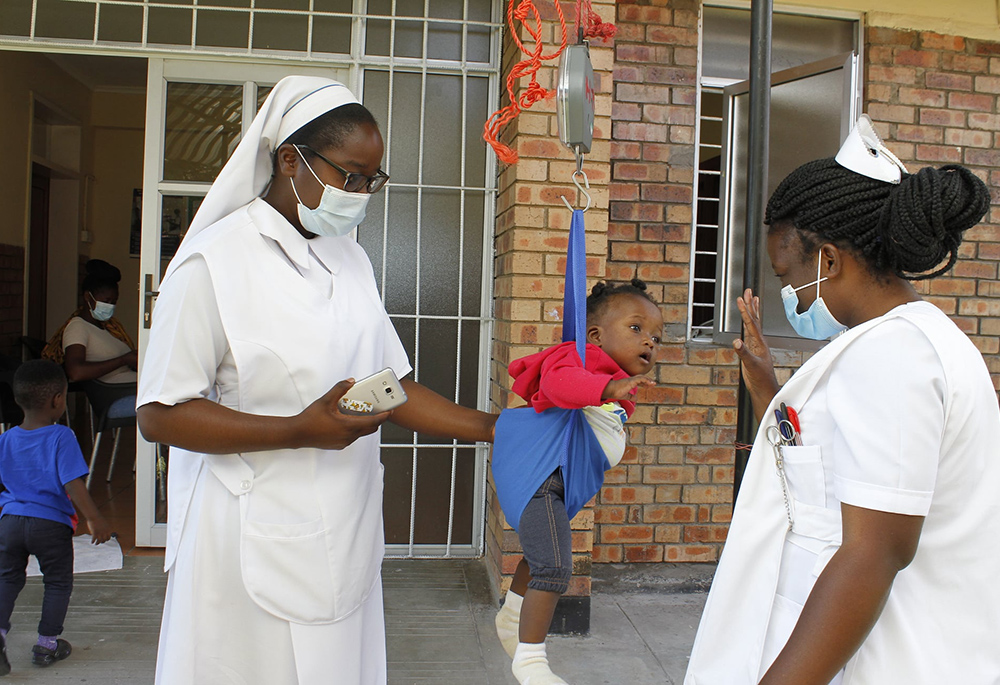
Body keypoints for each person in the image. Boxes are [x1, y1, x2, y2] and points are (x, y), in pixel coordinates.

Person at [135, 76, 496, 685]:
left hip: (343, 525)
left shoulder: (348, 257)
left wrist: (495, 429)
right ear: (288, 160)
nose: (357, 195)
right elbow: (161, 415)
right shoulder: (212, 265)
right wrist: (300, 429)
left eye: (370, 182)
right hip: (246, 537)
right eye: (348, 176)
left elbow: (390, 386)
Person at [684, 115, 1000, 684]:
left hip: (885, 662)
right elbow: (834, 477)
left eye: (787, 275)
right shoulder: (895, 343)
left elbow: (874, 552)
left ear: (828, 260)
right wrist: (768, 391)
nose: (786, 294)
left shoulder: (897, 355)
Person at [492, 279, 662, 685]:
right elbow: (557, 385)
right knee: (555, 566)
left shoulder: (610, 377)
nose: (650, 342)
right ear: (594, 336)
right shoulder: (577, 358)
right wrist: (607, 387)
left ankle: (512, 618)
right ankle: (531, 665)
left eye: (657, 336)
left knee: (538, 557)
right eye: (636, 328)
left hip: (559, 481)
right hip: (540, 476)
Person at [0, 360, 113, 675]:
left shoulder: (6, 439)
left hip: (10, 522)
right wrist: (94, 518)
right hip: (50, 525)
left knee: (7, 578)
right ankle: (47, 645)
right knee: (58, 582)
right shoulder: (61, 436)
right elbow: (72, 483)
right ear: (58, 400)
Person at [42, 259, 138, 419]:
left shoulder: (107, 328)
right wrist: (124, 360)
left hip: (129, 389)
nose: (110, 306)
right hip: (115, 397)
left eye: (114, 302)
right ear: (88, 296)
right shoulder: (78, 327)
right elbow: (76, 372)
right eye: (106, 301)